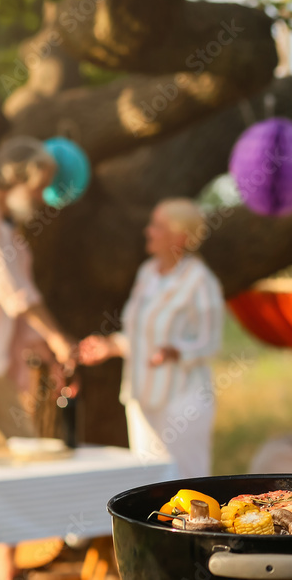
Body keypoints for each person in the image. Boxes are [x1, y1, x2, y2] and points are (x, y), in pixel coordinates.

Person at [0, 136, 78, 580]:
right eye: (41, 185)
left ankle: (1, 570)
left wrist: (51, 355)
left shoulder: (11, 235)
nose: (44, 197)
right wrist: (59, 338)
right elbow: (7, 287)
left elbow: (21, 318)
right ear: (17, 176)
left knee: (14, 468)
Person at [79, 198, 224, 478]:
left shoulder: (200, 281)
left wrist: (175, 351)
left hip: (182, 400)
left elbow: (210, 341)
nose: (148, 231)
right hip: (140, 395)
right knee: (148, 482)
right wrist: (111, 346)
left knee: (186, 481)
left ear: (179, 237)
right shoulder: (147, 273)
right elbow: (139, 333)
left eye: (157, 226)